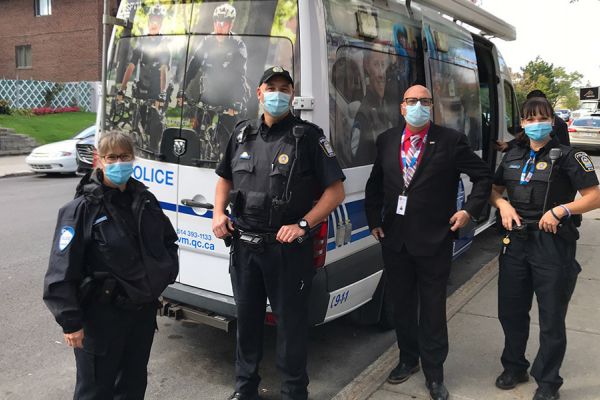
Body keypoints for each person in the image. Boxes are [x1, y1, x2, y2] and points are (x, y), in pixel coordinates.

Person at [212, 66, 345, 400]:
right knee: (247, 322)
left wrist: (303, 224)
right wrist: (217, 213)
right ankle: (245, 390)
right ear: (259, 93)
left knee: (290, 326)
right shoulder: (242, 134)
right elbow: (225, 179)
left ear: (291, 95)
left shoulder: (308, 136)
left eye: (284, 88)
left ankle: (293, 392)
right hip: (244, 247)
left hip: (286, 252)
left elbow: (335, 192)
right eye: (271, 88)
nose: (277, 94)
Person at [364, 85, 493, 400]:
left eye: (424, 101)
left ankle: (435, 374)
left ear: (432, 106)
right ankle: (408, 359)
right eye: (411, 101)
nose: (418, 105)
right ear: (402, 108)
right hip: (395, 240)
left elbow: (483, 176)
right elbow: (376, 183)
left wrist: (468, 211)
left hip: (434, 239)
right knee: (402, 306)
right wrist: (374, 221)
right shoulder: (387, 140)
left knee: (433, 309)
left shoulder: (450, 141)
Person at [43, 132, 179, 400]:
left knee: (132, 386)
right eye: (112, 157)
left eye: (125, 156)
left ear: (133, 158)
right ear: (100, 161)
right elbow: (61, 269)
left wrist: (159, 279)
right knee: (95, 391)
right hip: (100, 317)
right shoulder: (81, 209)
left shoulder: (145, 201)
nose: (119, 163)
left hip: (140, 314)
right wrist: (70, 322)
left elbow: (167, 242)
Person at [489, 97, 600, 400]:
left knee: (551, 318)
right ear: (522, 123)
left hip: (552, 245)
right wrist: (502, 206)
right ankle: (514, 366)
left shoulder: (568, 156)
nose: (535, 123)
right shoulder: (513, 154)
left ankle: (548, 382)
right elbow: (494, 190)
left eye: (542, 117)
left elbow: (594, 196)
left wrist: (562, 210)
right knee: (510, 311)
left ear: (552, 120)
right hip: (515, 243)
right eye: (529, 118)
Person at [183, 3, 249, 160]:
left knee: (227, 136)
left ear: (231, 24)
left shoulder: (238, 44)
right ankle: (193, 159)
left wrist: (236, 102)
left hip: (229, 97)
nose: (220, 26)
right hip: (208, 93)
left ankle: (226, 162)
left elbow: (240, 76)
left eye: (224, 22)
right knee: (195, 129)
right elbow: (193, 66)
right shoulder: (207, 41)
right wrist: (182, 89)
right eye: (217, 22)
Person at [119, 4, 171, 154]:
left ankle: (154, 149)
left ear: (161, 23)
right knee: (137, 120)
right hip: (142, 88)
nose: (154, 24)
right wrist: (122, 89)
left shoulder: (164, 43)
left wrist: (162, 93)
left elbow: (163, 70)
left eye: (157, 21)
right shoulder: (142, 42)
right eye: (152, 20)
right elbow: (131, 66)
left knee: (155, 125)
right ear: (148, 22)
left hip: (157, 91)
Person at [496, 89, 570, 152]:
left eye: (543, 119)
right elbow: (523, 138)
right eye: (530, 120)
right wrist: (508, 145)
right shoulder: (514, 157)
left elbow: (564, 146)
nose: (537, 124)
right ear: (523, 123)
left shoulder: (560, 124)